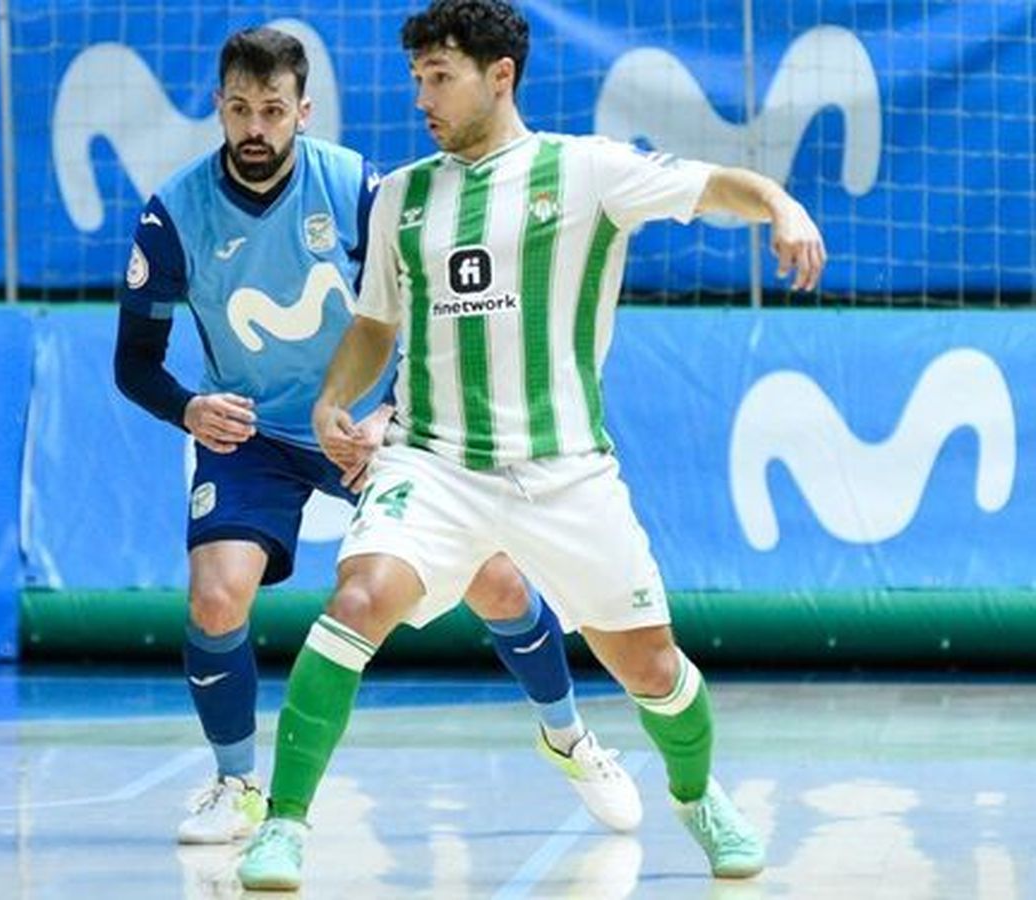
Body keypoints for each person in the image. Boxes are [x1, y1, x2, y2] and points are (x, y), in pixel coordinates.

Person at [238, 0, 826, 889]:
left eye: (440, 79)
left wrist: (778, 203)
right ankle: (282, 827)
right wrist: (333, 399)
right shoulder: (402, 194)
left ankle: (700, 797)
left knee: (653, 666)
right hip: (433, 462)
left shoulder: (584, 171)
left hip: (565, 471)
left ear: (499, 76)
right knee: (357, 600)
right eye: (417, 80)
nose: (423, 98)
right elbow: (372, 322)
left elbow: (709, 186)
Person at [114, 26, 639, 847]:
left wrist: (390, 409)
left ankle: (570, 736)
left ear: (304, 111)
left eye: (275, 111)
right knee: (216, 598)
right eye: (241, 109)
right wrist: (189, 408)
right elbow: (134, 363)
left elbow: (428, 307)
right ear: (217, 105)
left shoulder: (358, 187)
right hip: (249, 433)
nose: (256, 129)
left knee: (497, 582)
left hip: (362, 428)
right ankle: (236, 783)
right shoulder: (172, 214)